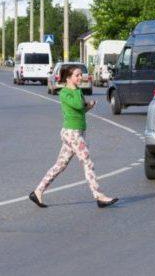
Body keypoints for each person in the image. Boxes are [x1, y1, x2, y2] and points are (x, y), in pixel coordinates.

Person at [29, 65, 118, 208]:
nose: (80, 77)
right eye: (77, 75)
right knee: (87, 162)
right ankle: (99, 196)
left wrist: (89, 106)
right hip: (72, 133)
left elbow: (80, 110)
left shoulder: (77, 91)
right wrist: (78, 93)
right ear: (68, 78)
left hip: (77, 131)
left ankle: (37, 191)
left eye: (80, 75)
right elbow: (77, 104)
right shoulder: (66, 93)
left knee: (60, 165)